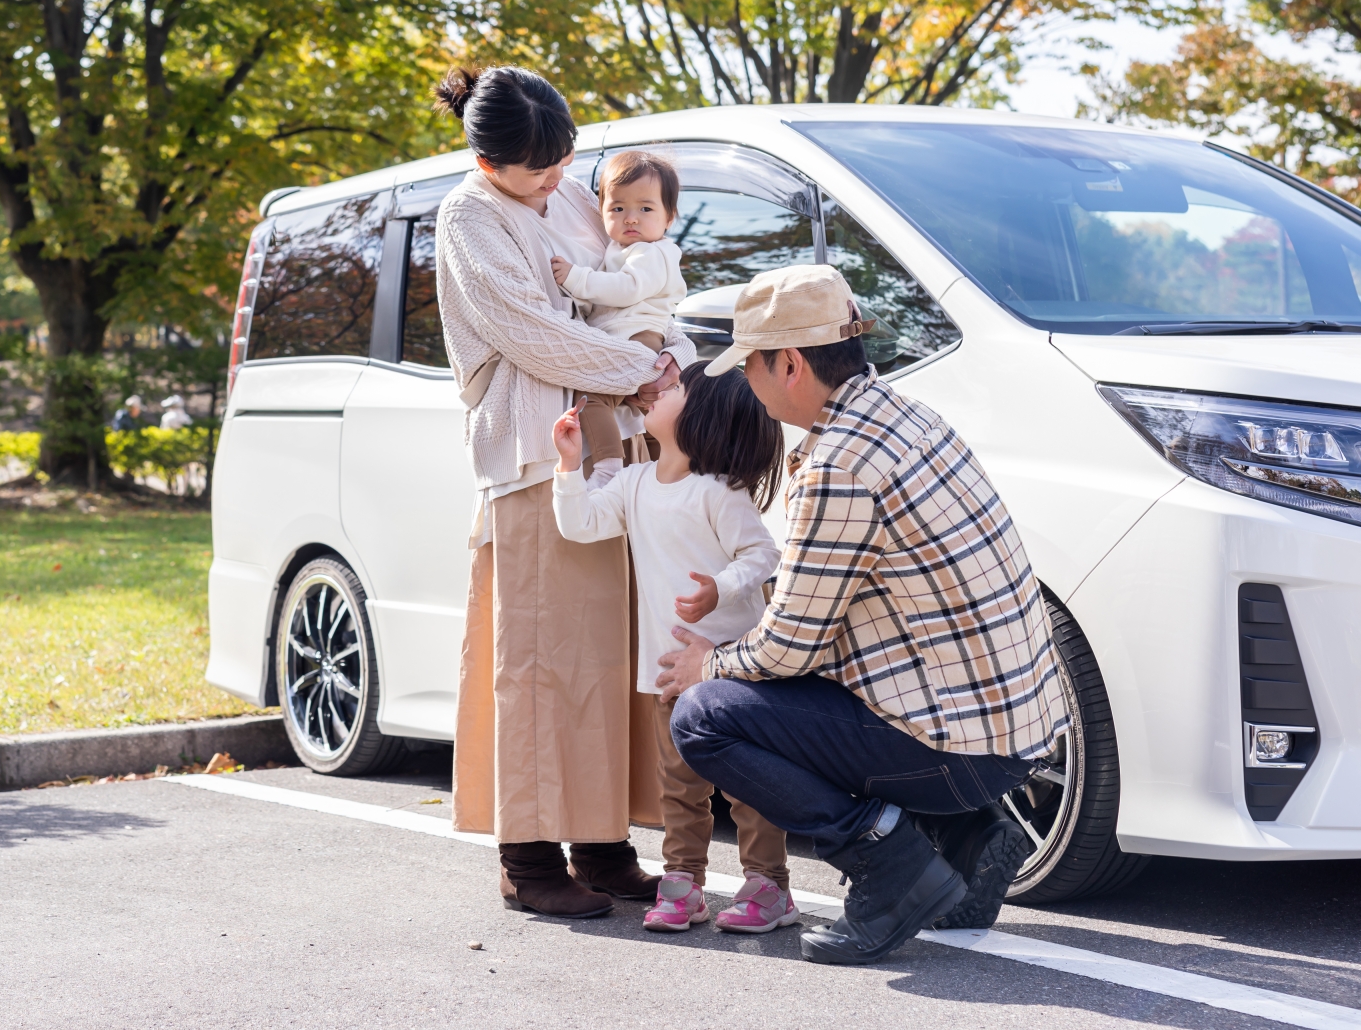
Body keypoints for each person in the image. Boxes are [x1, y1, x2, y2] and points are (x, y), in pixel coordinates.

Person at [656, 264, 1067, 966]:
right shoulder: (908, 417)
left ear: (788, 363)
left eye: (749, 366)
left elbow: (788, 648)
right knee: (787, 687)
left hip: (958, 754)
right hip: (1016, 740)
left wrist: (707, 664)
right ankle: (969, 835)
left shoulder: (839, 463)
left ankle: (891, 861)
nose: (744, 384)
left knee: (704, 716)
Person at [432, 64, 696, 918]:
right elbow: (529, 332)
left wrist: (664, 364)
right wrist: (645, 371)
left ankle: (602, 842)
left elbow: (638, 283)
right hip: (536, 453)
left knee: (610, 653)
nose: (555, 179)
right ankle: (530, 856)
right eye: (536, 168)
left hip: (613, 441)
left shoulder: (577, 194)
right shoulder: (468, 216)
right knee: (542, 659)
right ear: (487, 158)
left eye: (562, 159)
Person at [549, 360, 799, 936]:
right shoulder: (635, 483)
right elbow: (581, 524)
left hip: (733, 669)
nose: (660, 389)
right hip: (667, 669)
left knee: (747, 784)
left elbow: (762, 557)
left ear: (705, 414)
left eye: (676, 386)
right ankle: (683, 882)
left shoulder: (719, 492)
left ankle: (770, 885)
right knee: (679, 784)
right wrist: (568, 465)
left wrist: (720, 589)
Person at [550, 150, 688, 488]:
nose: (631, 218)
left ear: (669, 217)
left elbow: (625, 290)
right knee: (646, 410)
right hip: (629, 337)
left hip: (637, 338)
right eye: (617, 208)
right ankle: (671, 466)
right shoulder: (622, 250)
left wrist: (575, 280)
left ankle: (608, 466)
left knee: (592, 398)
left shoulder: (652, 253)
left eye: (645, 208)